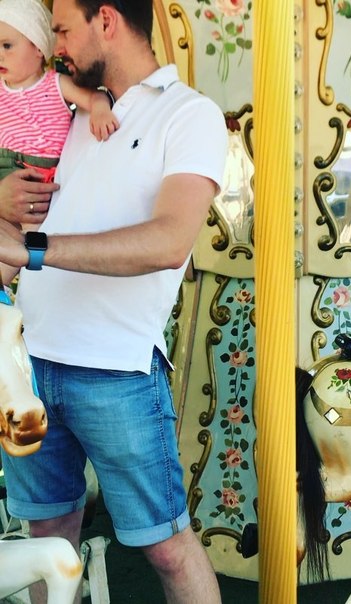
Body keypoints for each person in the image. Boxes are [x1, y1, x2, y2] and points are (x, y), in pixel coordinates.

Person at [0, 0, 227, 603]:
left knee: (167, 547)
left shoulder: (189, 114)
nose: (55, 47)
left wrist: (36, 250)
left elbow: (169, 241)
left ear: (106, 20)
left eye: (63, 30)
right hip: (31, 362)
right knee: (46, 540)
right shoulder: (69, 111)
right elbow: (19, 213)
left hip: (116, 369)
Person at [0, 0, 119, 228]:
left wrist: (100, 109)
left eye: (7, 46)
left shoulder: (56, 83)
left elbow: (94, 97)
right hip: (4, 168)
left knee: (34, 230)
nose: (0, 55)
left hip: (45, 175)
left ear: (38, 48)